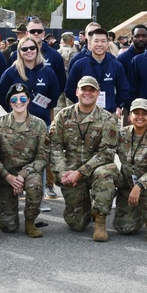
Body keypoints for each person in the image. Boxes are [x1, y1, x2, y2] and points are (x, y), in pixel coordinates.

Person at [49, 76, 119, 241]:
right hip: (70, 173)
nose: (87, 93)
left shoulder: (108, 118)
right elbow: (55, 146)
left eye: (91, 90)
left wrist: (80, 172)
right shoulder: (63, 116)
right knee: (77, 224)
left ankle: (100, 221)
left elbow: (106, 153)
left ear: (97, 93)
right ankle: (87, 209)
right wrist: (62, 172)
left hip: (95, 170)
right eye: (84, 89)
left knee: (107, 173)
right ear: (77, 92)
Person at [100, 98, 147, 242]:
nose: (140, 117)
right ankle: (135, 212)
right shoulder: (121, 135)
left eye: (144, 113)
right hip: (127, 183)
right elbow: (105, 154)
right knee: (125, 229)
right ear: (130, 116)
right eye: (136, 113)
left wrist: (139, 185)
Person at [0, 82, 49, 237]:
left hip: (28, 173)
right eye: (15, 99)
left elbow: (43, 157)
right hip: (6, 174)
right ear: (10, 102)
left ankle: (30, 222)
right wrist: (8, 176)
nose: (19, 103)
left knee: (35, 185)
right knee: (8, 227)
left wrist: (22, 175)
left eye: (23, 99)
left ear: (29, 101)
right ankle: (3, 214)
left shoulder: (39, 125)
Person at [67, 28, 130, 115]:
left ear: (108, 44)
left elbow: (124, 89)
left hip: (109, 113)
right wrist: (82, 102)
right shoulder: (79, 65)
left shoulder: (116, 65)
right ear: (90, 43)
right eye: (96, 41)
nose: (99, 44)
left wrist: (115, 105)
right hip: (84, 114)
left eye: (103, 41)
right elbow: (69, 89)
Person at [0, 39, 60, 126]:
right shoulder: (10, 73)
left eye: (32, 48)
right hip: (16, 124)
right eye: (24, 49)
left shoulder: (48, 72)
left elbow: (54, 97)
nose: (29, 51)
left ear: (37, 50)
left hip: (42, 124)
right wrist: (12, 109)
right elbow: (2, 97)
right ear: (19, 52)